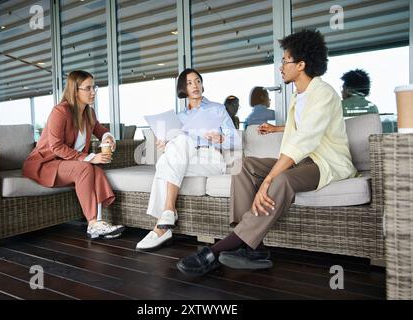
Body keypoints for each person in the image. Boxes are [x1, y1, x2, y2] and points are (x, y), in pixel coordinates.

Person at [176, 30, 357, 276]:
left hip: (324, 162)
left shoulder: (323, 93)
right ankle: (254, 248)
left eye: (285, 60)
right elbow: (304, 126)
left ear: (301, 65)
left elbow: (304, 140)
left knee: (282, 179)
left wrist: (268, 180)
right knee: (243, 165)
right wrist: (278, 128)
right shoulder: (299, 95)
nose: (281, 66)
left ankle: (218, 250)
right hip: (304, 160)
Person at [136, 68, 241, 251]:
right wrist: (165, 142)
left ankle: (165, 219)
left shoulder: (217, 109)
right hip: (187, 159)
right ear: (183, 88)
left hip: (211, 158)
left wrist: (222, 138)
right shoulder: (179, 117)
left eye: (198, 81)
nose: (195, 85)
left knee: (164, 163)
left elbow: (237, 140)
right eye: (190, 83)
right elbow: (176, 146)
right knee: (175, 145)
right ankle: (165, 221)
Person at [22, 70, 125, 240]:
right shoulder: (60, 111)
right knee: (85, 168)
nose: (93, 92)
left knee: (97, 170)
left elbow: (101, 131)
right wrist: (90, 157)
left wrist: (108, 138)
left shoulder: (89, 113)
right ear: (75, 90)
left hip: (67, 164)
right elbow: (56, 147)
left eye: (94, 87)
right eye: (88, 88)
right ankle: (92, 224)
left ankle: (100, 221)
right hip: (45, 164)